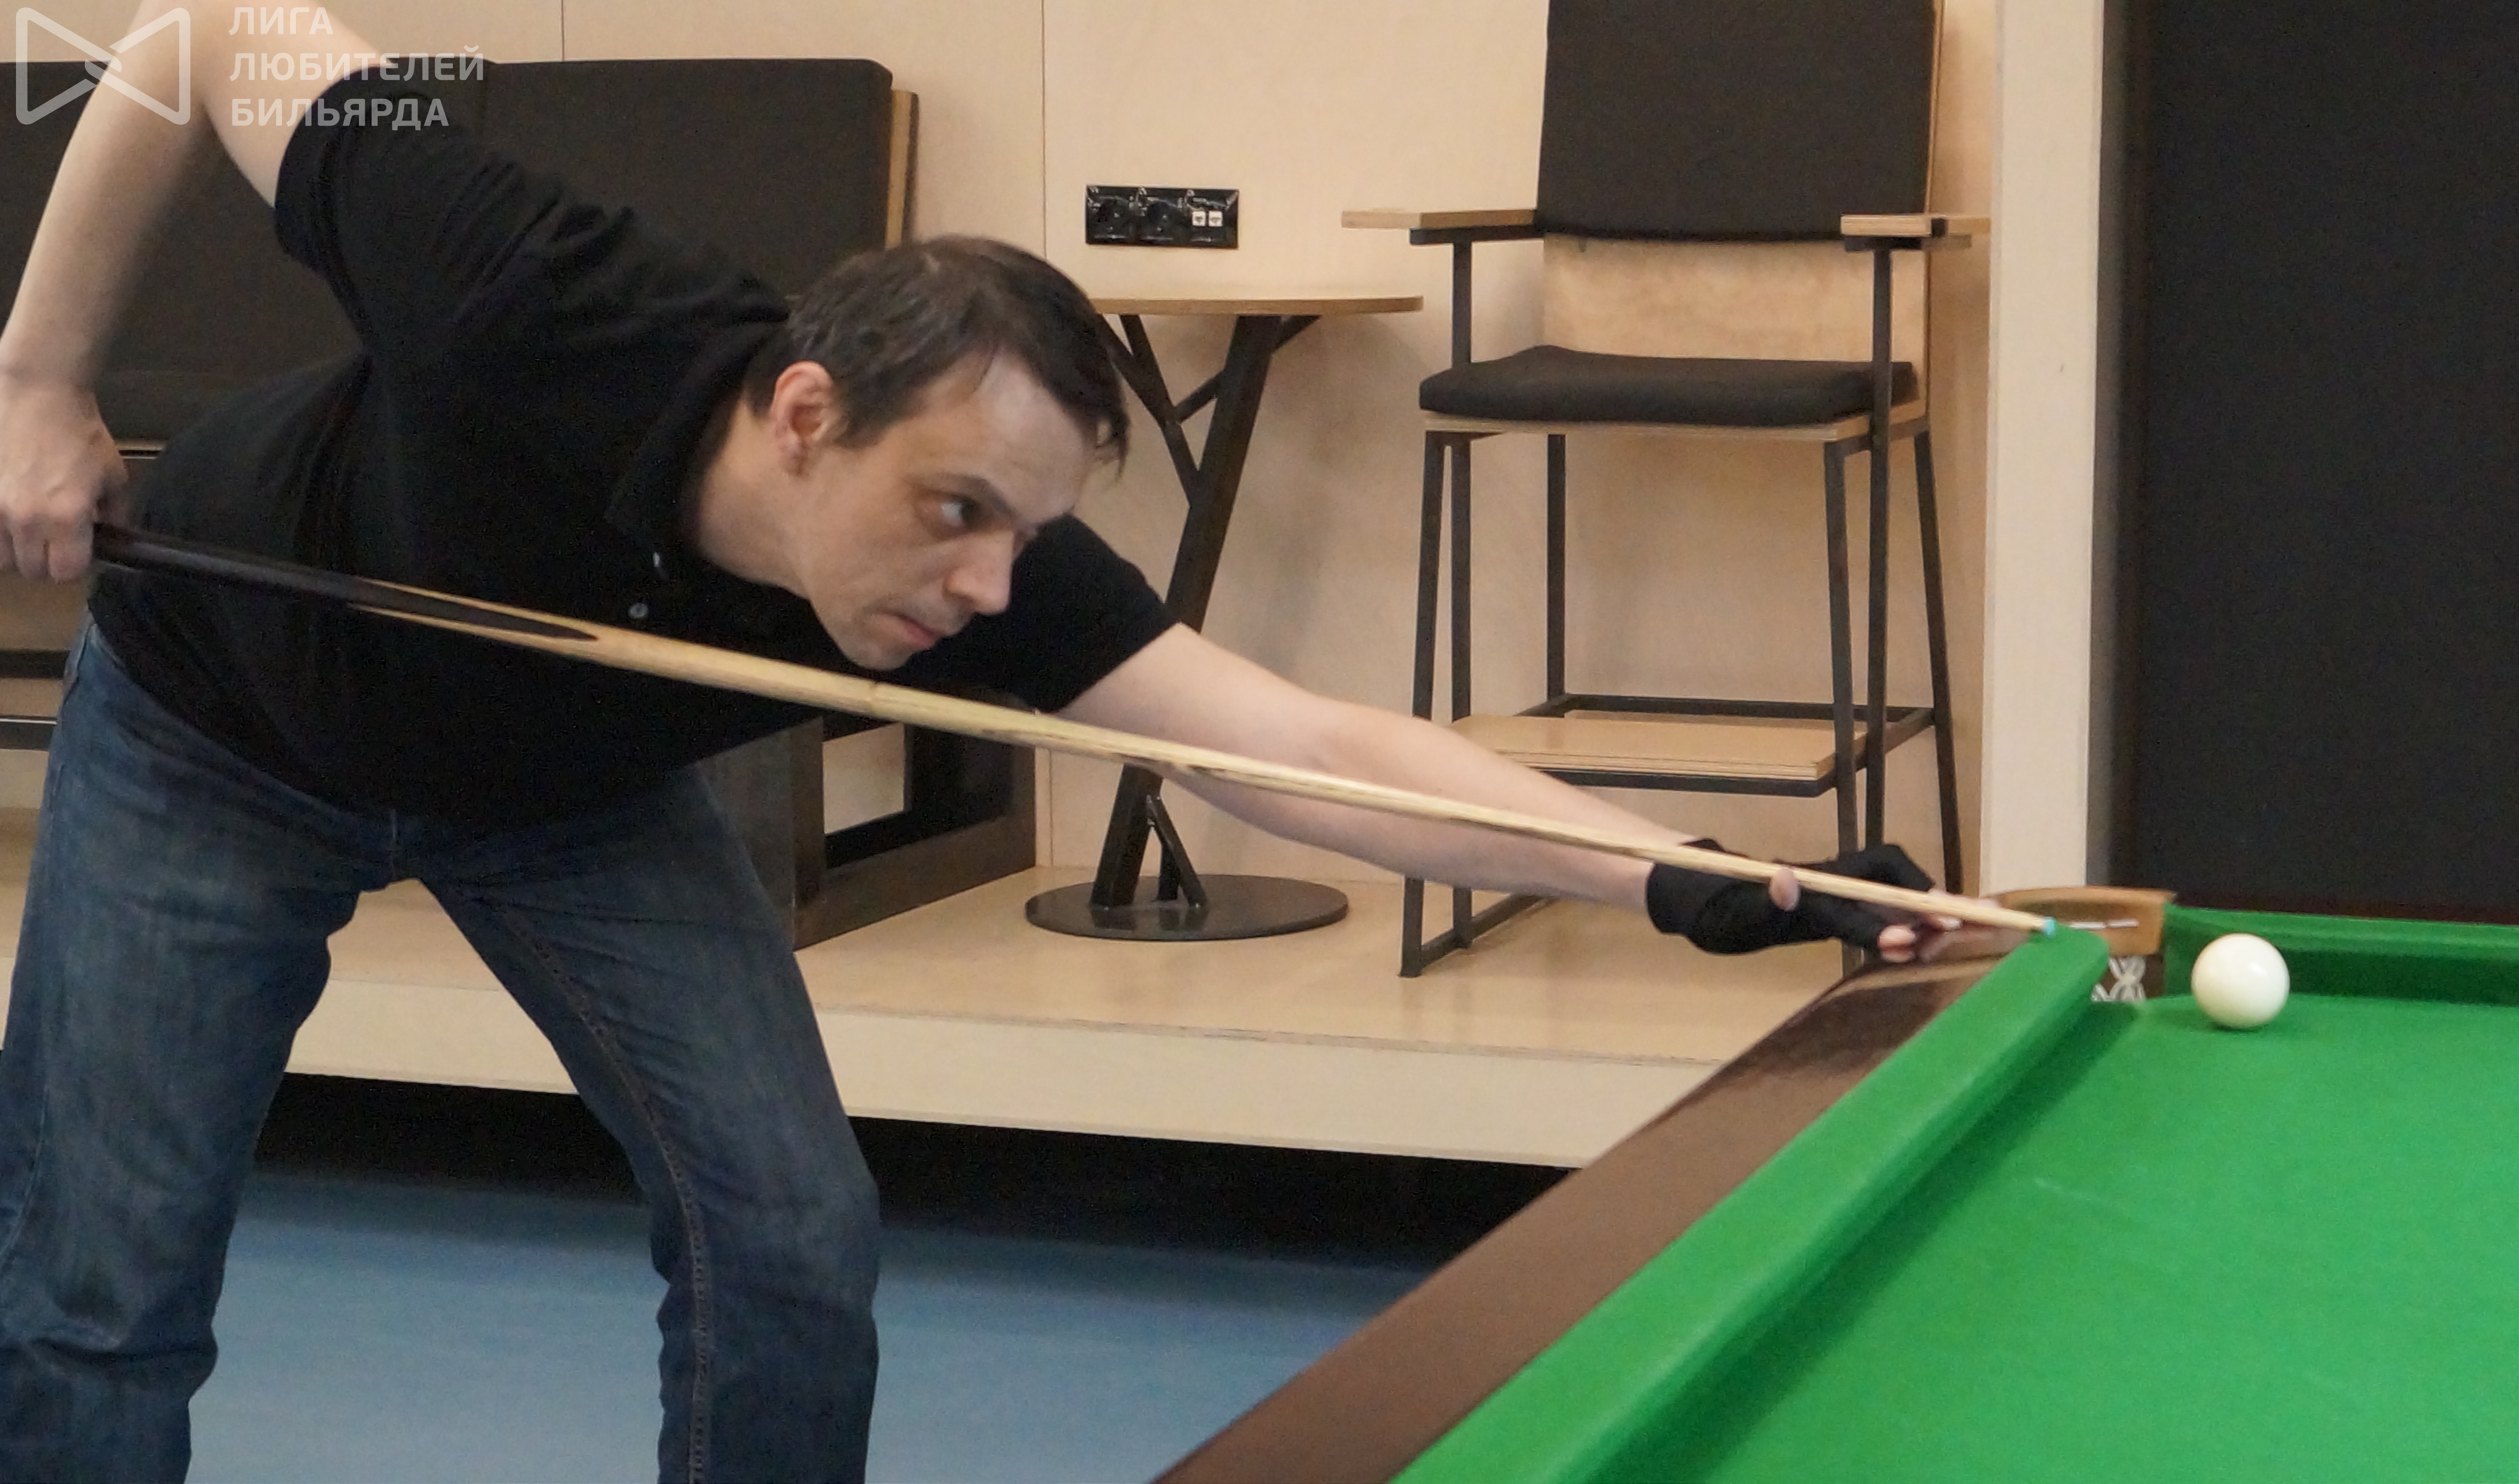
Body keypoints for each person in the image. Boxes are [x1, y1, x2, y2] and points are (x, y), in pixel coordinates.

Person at [0, 2, 1945, 1478]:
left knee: (790, 1235)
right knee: (100, 1295)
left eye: (1026, 528)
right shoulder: (522, 282)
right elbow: (198, 35)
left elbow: (1301, 745)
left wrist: (1692, 878)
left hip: (566, 795)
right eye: (953, 513)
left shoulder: (989, 568)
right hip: (215, 726)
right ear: (804, 416)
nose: (990, 584)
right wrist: (38, 378)